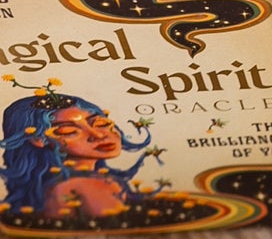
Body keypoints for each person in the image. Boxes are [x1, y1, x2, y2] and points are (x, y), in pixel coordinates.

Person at [0, 89, 156, 224]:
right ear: (39, 140)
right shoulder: (82, 186)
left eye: (100, 123)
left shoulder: (57, 185)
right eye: (69, 131)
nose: (98, 134)